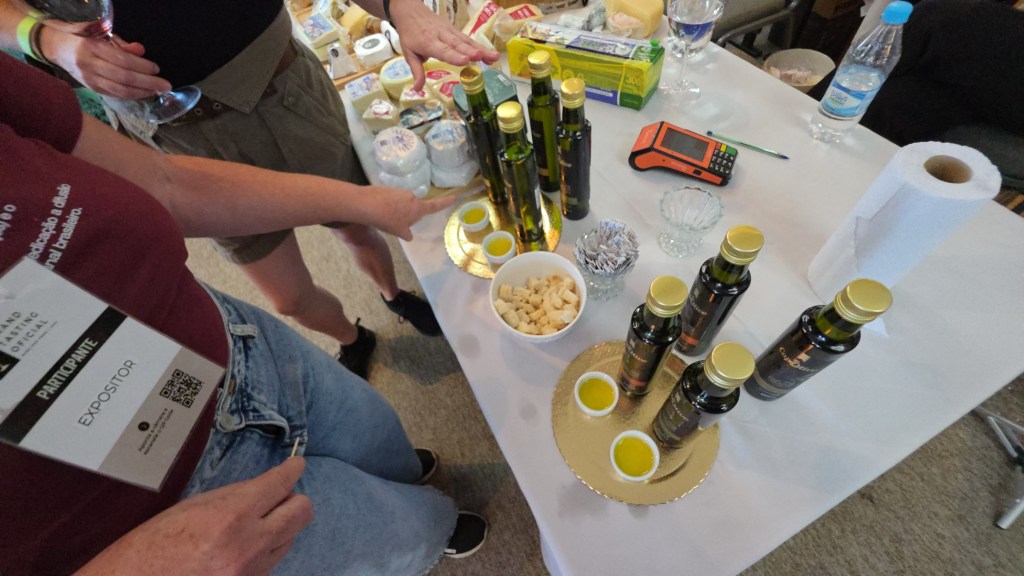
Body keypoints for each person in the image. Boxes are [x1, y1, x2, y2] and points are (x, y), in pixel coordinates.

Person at [0, 51, 489, 575]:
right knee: (399, 533)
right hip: (162, 505)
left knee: (375, 432)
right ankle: (435, 528)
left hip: (238, 344)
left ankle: (411, 478)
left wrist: (358, 203)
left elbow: (164, 182)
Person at [0, 0, 500, 379]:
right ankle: (353, 337)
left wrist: (396, 6)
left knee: (355, 225)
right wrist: (43, 38)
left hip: (281, 92)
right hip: (172, 138)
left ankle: (392, 295)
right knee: (288, 298)